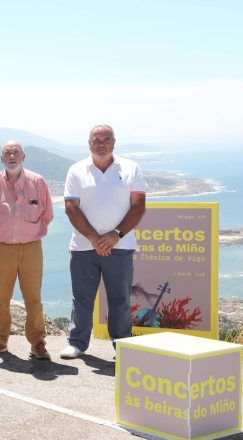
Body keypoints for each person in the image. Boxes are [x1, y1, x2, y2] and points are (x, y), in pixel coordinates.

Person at [60, 124, 147, 359]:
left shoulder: (131, 168)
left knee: (120, 299)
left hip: (121, 247)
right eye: (96, 140)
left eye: (106, 139)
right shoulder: (76, 170)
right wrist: (94, 238)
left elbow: (139, 206)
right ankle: (77, 343)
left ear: (114, 142)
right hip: (83, 247)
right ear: (89, 143)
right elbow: (71, 208)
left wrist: (116, 235)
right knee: (82, 298)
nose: (101, 144)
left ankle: (122, 346)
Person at [0, 141, 53, 359]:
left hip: (32, 249)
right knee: (1, 298)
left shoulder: (38, 182)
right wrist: (4, 233)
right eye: (7, 153)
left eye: (15, 152)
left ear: (23, 157)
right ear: (1, 159)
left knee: (34, 299)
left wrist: (27, 232)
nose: (11, 156)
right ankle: (0, 341)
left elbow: (47, 215)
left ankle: (38, 343)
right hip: (2, 249)